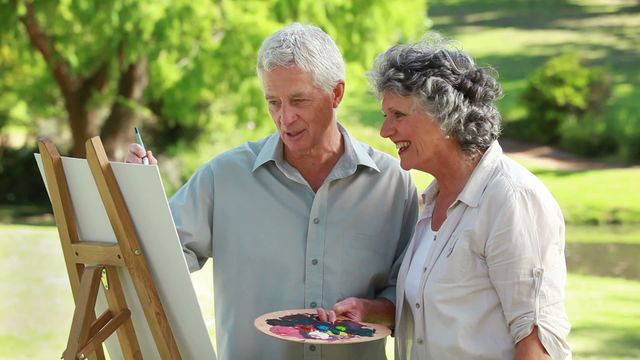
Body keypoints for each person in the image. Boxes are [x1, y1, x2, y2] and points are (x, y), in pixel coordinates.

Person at [127, 23, 419, 360]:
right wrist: (137, 196)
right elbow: (155, 257)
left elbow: (411, 294)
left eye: (298, 100)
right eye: (273, 102)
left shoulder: (392, 184)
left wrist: (370, 308)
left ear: (336, 94)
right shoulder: (224, 177)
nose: (285, 118)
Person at [365, 34, 572, 359]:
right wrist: (370, 311)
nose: (385, 130)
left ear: (443, 115)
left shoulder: (511, 199)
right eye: (385, 116)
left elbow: (537, 343)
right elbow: (440, 317)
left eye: (398, 115)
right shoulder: (432, 203)